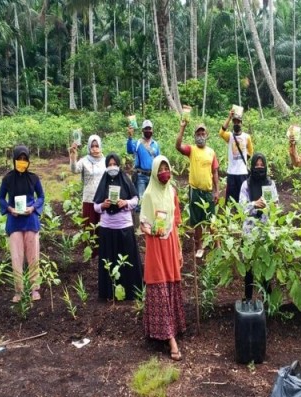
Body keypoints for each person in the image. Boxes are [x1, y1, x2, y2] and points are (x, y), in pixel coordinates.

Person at [140, 155, 186, 361]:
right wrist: (152, 230)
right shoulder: (149, 194)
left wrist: (179, 250)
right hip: (157, 245)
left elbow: (175, 223)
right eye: (160, 169)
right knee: (159, 284)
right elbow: (143, 223)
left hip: (171, 243)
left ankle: (171, 329)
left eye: (167, 168)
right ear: (154, 172)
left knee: (171, 282)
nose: (164, 173)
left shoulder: (172, 192)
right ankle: (170, 339)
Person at [93, 153, 143, 301]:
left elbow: (135, 199)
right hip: (107, 228)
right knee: (110, 261)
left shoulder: (126, 180)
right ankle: (109, 293)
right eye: (109, 164)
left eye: (115, 164)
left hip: (124, 227)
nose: (112, 167)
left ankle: (131, 292)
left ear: (119, 165)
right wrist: (103, 205)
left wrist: (125, 203)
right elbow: (95, 206)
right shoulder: (103, 182)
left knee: (127, 260)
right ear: (106, 166)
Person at [0, 145, 45, 303]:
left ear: (29, 161)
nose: (22, 162)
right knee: (16, 257)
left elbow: (41, 197)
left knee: (33, 256)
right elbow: (1, 198)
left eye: (25, 159)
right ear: (14, 160)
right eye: (20, 159)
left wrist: (33, 207)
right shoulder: (8, 178)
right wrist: (9, 209)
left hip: (30, 219)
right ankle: (18, 291)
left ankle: (34, 289)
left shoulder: (34, 178)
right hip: (15, 220)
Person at [176, 120, 219, 256]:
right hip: (195, 191)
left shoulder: (211, 152)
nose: (201, 136)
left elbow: (215, 172)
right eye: (198, 134)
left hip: (207, 191)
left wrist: (217, 191)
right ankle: (199, 246)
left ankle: (217, 245)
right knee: (198, 221)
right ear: (195, 136)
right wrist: (182, 128)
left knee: (212, 219)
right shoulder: (192, 150)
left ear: (207, 135)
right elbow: (178, 146)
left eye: (203, 133)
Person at [239, 153, 278, 300]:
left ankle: (267, 300)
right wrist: (254, 204)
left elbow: (276, 205)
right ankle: (248, 298)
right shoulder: (246, 185)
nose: (259, 168)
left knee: (265, 265)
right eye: (257, 165)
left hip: (266, 230)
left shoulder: (270, 184)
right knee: (249, 267)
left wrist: (271, 205)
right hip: (249, 231)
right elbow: (241, 207)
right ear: (252, 166)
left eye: (262, 165)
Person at [69, 134, 106, 257]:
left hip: (102, 200)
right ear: (89, 147)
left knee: (102, 227)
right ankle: (90, 254)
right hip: (89, 199)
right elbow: (74, 170)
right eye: (92, 146)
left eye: (97, 146)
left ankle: (102, 253)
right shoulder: (85, 160)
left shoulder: (105, 161)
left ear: (100, 146)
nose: (95, 149)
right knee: (89, 227)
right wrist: (73, 156)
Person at [219, 109, 254, 204]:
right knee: (230, 201)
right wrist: (229, 117)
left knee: (243, 199)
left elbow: (251, 151)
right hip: (231, 172)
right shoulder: (229, 136)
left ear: (241, 123)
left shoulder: (247, 137)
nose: (236, 124)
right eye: (234, 122)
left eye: (238, 122)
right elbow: (221, 133)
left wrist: (244, 159)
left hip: (242, 172)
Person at [126, 119, 160, 213]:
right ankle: (138, 223)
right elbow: (129, 150)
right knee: (141, 200)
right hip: (140, 176)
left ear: (152, 130)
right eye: (146, 129)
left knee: (152, 200)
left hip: (152, 176)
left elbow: (159, 160)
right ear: (142, 130)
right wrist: (130, 137)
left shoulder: (155, 145)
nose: (148, 131)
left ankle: (150, 223)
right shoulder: (138, 143)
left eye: (149, 129)